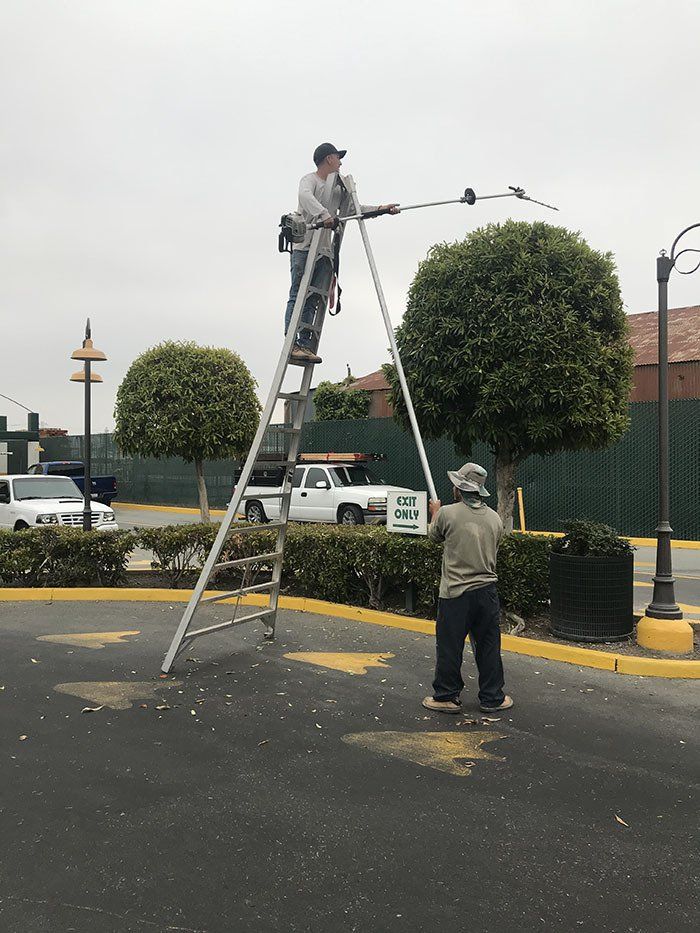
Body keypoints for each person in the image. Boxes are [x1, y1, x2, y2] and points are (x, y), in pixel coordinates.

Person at [285, 143, 398, 364]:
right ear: (329, 159)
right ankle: (292, 344)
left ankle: (306, 344)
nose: (341, 162)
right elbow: (305, 197)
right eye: (338, 158)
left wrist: (382, 209)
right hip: (305, 248)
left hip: (324, 250)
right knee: (298, 293)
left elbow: (354, 210)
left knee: (314, 297)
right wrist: (324, 214)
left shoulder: (338, 189)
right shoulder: (309, 181)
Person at [422, 462, 514, 714]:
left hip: (455, 593)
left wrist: (435, 512)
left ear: (460, 488)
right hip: (487, 592)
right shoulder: (495, 518)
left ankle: (446, 696)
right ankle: (492, 697)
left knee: (450, 646)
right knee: (488, 646)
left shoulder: (447, 513)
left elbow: (434, 537)